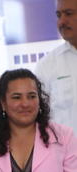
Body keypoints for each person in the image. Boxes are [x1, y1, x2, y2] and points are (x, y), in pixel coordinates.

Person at [35, 0, 77, 134]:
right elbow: (37, 119)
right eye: (59, 15)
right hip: (67, 153)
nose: (62, 22)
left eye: (69, 14)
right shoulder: (47, 66)